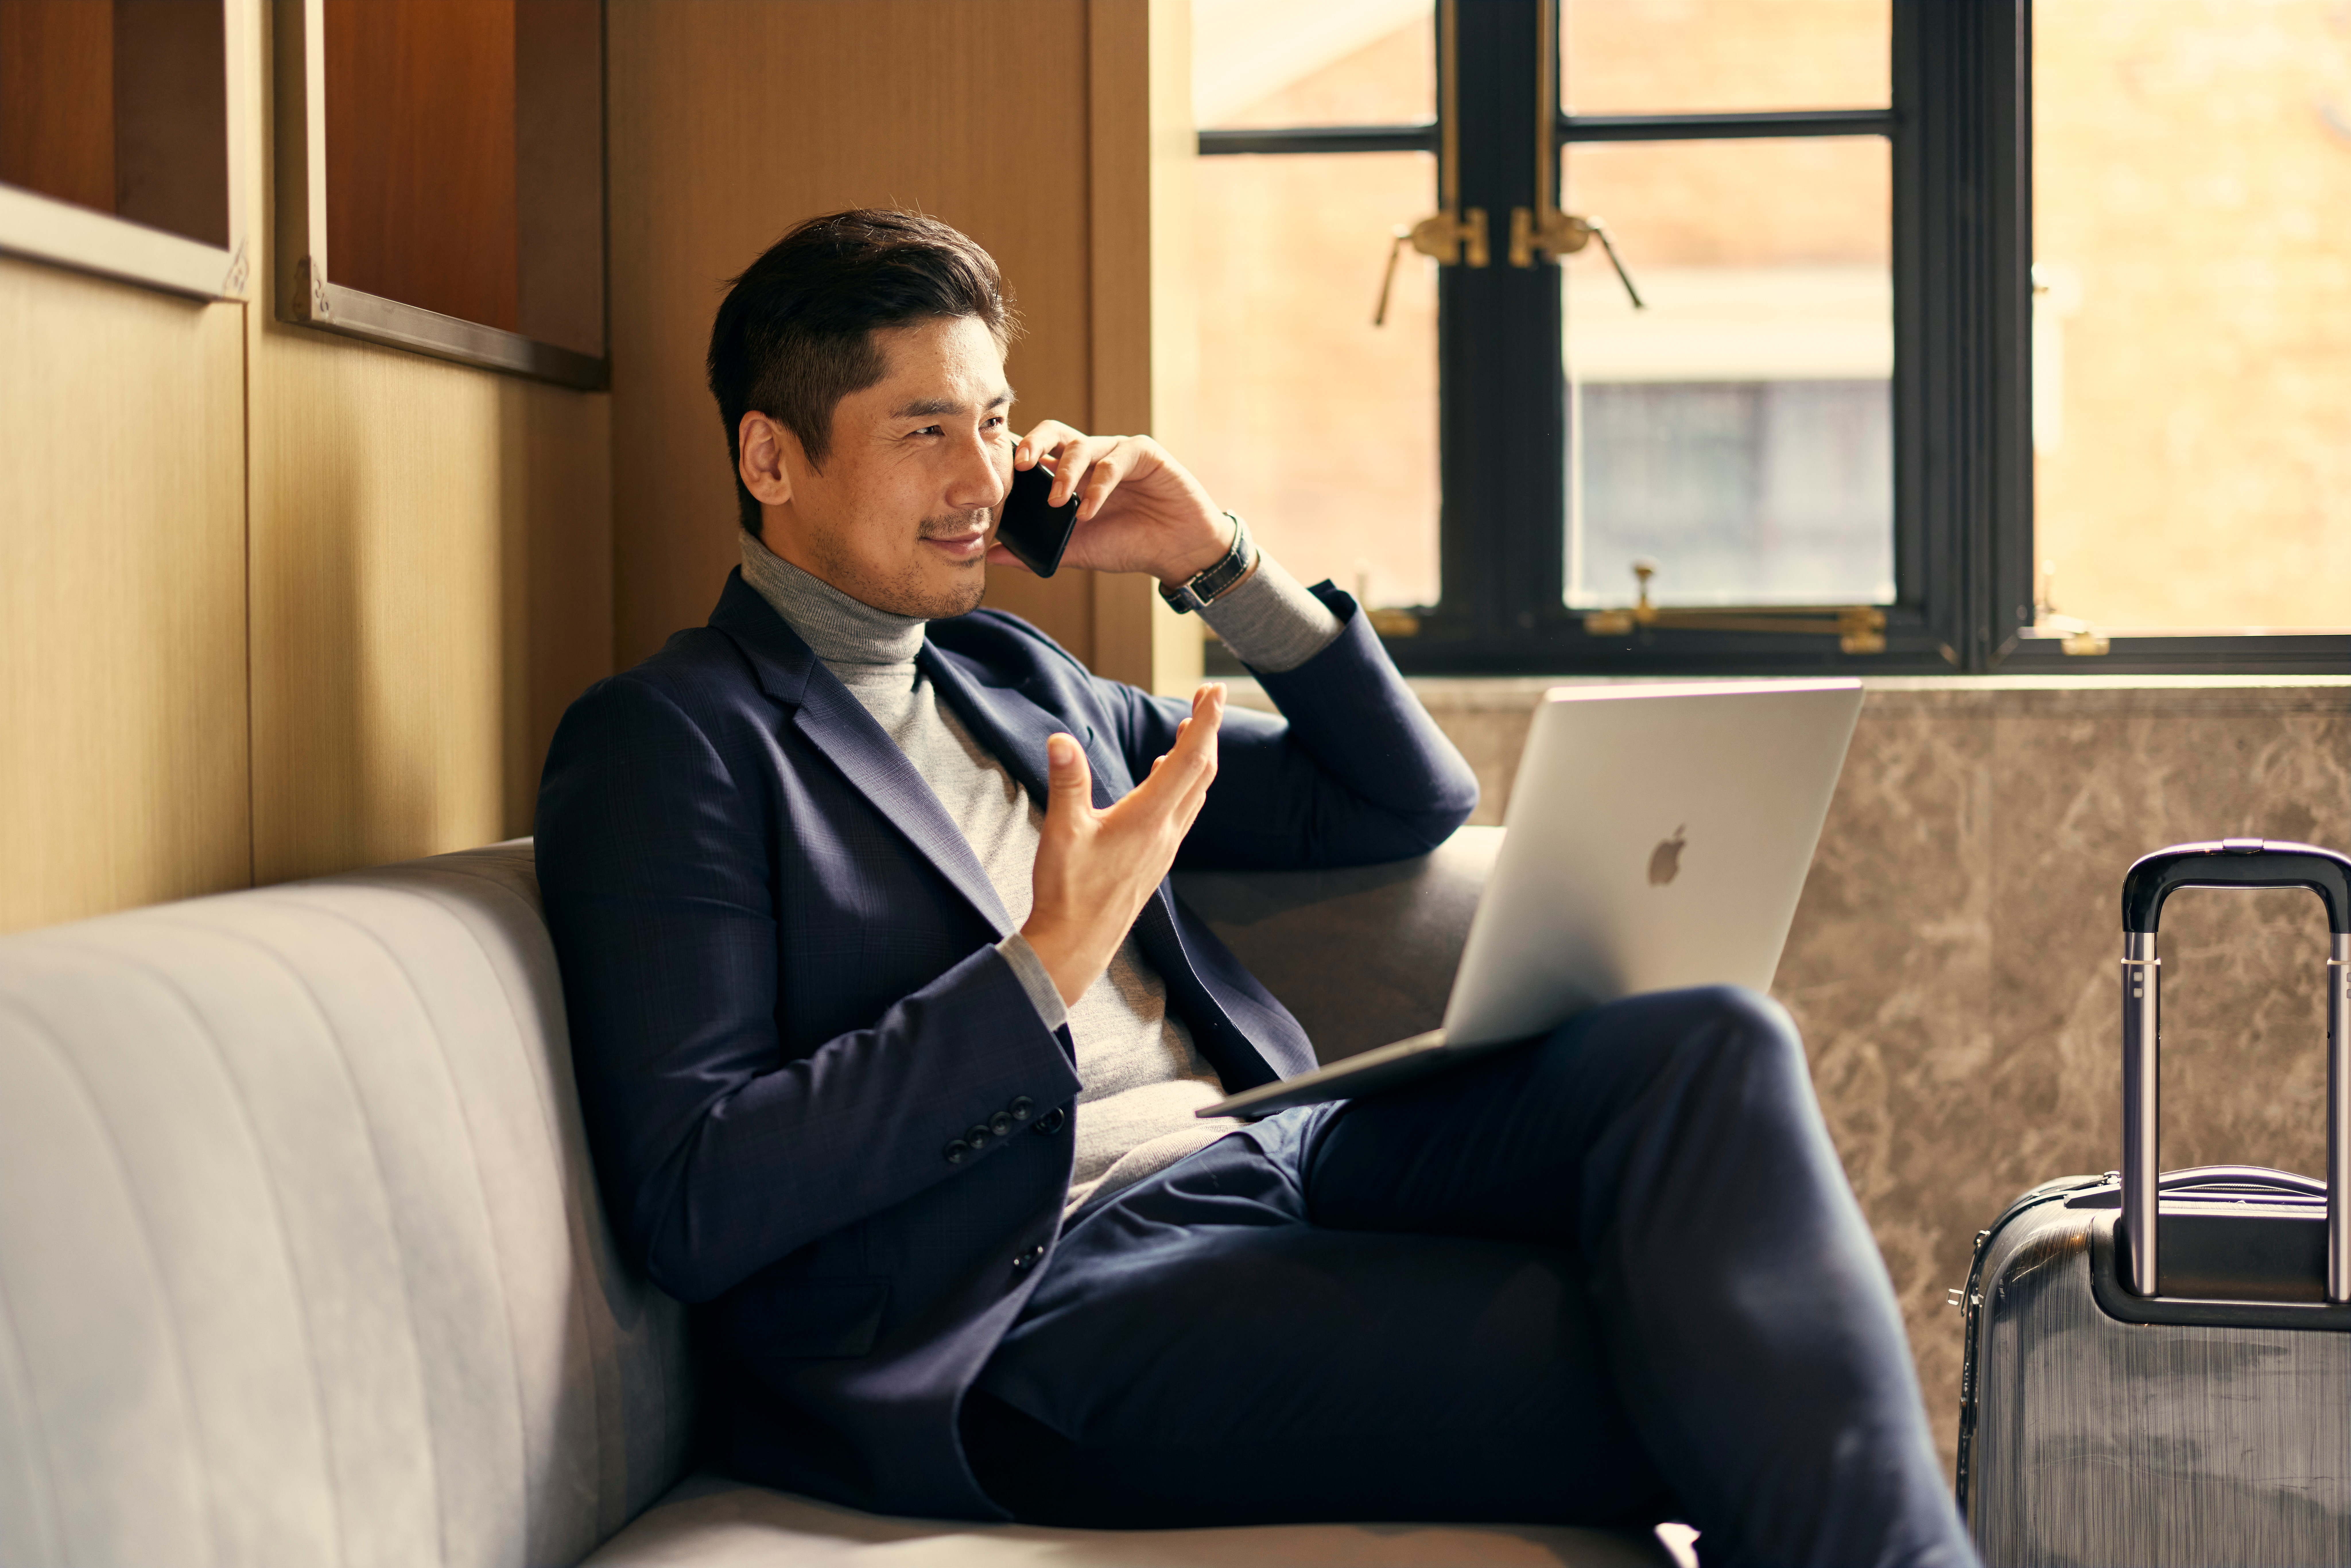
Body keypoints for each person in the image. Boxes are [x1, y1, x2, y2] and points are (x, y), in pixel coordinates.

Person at [535, 209, 1978, 1567]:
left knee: (1708, 1041)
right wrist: (1041, 966)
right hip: (1031, 1306)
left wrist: (1216, 562)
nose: (981, 482)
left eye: (990, 420)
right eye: (924, 432)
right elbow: (696, 1194)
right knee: (1672, 1342)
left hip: (1266, 1152)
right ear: (771, 459)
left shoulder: (1008, 676)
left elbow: (1400, 797)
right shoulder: (673, 742)